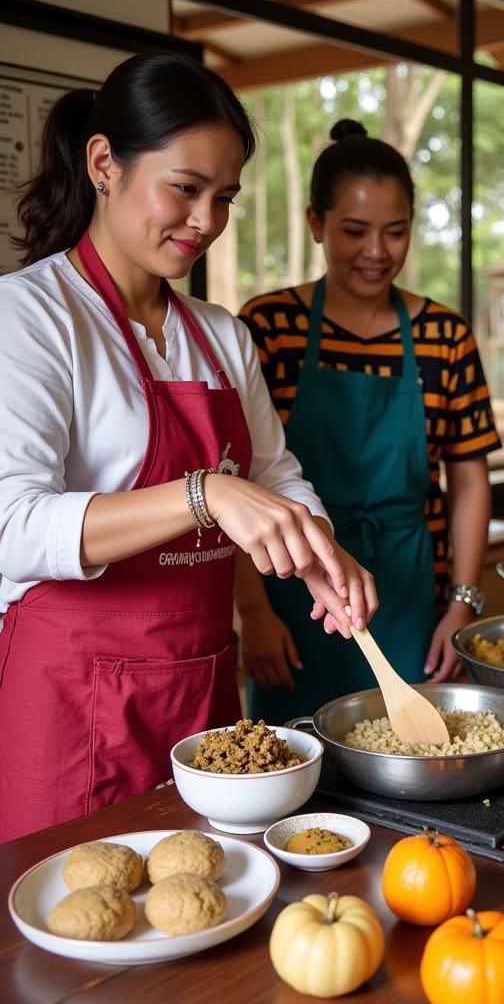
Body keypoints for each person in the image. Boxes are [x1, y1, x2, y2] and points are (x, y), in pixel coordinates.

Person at [0, 53, 376, 843]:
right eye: (186, 188)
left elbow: (275, 475)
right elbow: (14, 525)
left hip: (203, 691)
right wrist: (202, 494)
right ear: (104, 163)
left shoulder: (221, 336)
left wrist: (319, 552)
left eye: (225, 197)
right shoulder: (30, 317)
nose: (206, 220)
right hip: (72, 697)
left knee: (206, 914)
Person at [236, 119, 501, 724]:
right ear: (314, 224)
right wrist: (253, 612)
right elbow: (239, 478)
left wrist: (461, 603)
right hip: (293, 595)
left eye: (396, 232)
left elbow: (468, 481)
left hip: (409, 595)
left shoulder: (443, 337)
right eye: (354, 231)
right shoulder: (270, 326)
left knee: (414, 752)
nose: (377, 252)